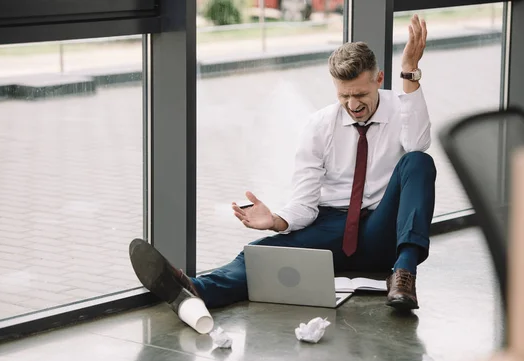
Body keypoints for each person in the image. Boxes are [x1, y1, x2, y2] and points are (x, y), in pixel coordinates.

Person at [129, 14, 435, 318]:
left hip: (381, 228)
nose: (353, 104)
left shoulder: (400, 107)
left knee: (418, 161)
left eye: (361, 94)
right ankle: (195, 290)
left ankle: (404, 276)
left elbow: (419, 144)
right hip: (333, 227)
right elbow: (305, 203)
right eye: (344, 96)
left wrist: (409, 71)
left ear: (378, 79)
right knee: (263, 253)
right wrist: (276, 220)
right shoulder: (319, 126)